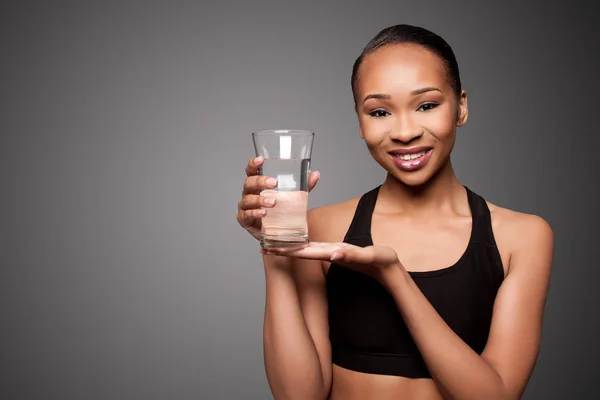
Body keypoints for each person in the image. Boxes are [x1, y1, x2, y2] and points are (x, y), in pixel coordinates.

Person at [236, 24, 554, 400]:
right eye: (380, 111)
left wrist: (394, 276)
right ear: (359, 121)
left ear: (461, 107)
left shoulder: (521, 237)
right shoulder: (322, 227)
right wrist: (274, 245)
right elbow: (298, 396)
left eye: (426, 105)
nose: (404, 132)